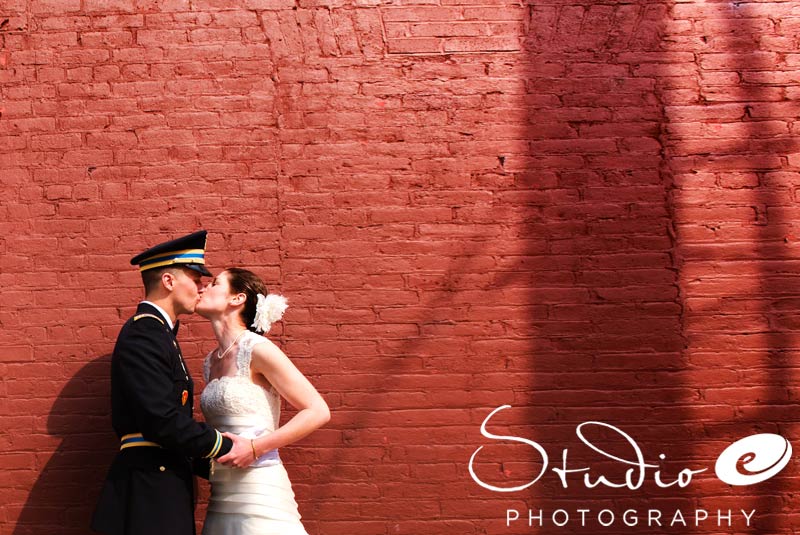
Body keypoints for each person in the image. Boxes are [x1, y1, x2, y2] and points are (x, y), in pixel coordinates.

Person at [92, 230, 251, 535]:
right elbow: (161, 420)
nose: (201, 287)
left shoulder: (161, 335)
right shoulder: (145, 335)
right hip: (148, 490)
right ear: (168, 281)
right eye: (195, 279)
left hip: (160, 482)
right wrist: (226, 446)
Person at [195, 267, 330, 535]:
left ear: (237, 298)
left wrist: (255, 448)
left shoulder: (256, 348)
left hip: (259, 489)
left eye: (214, 283)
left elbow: (317, 410)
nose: (202, 288)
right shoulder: (210, 362)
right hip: (222, 491)